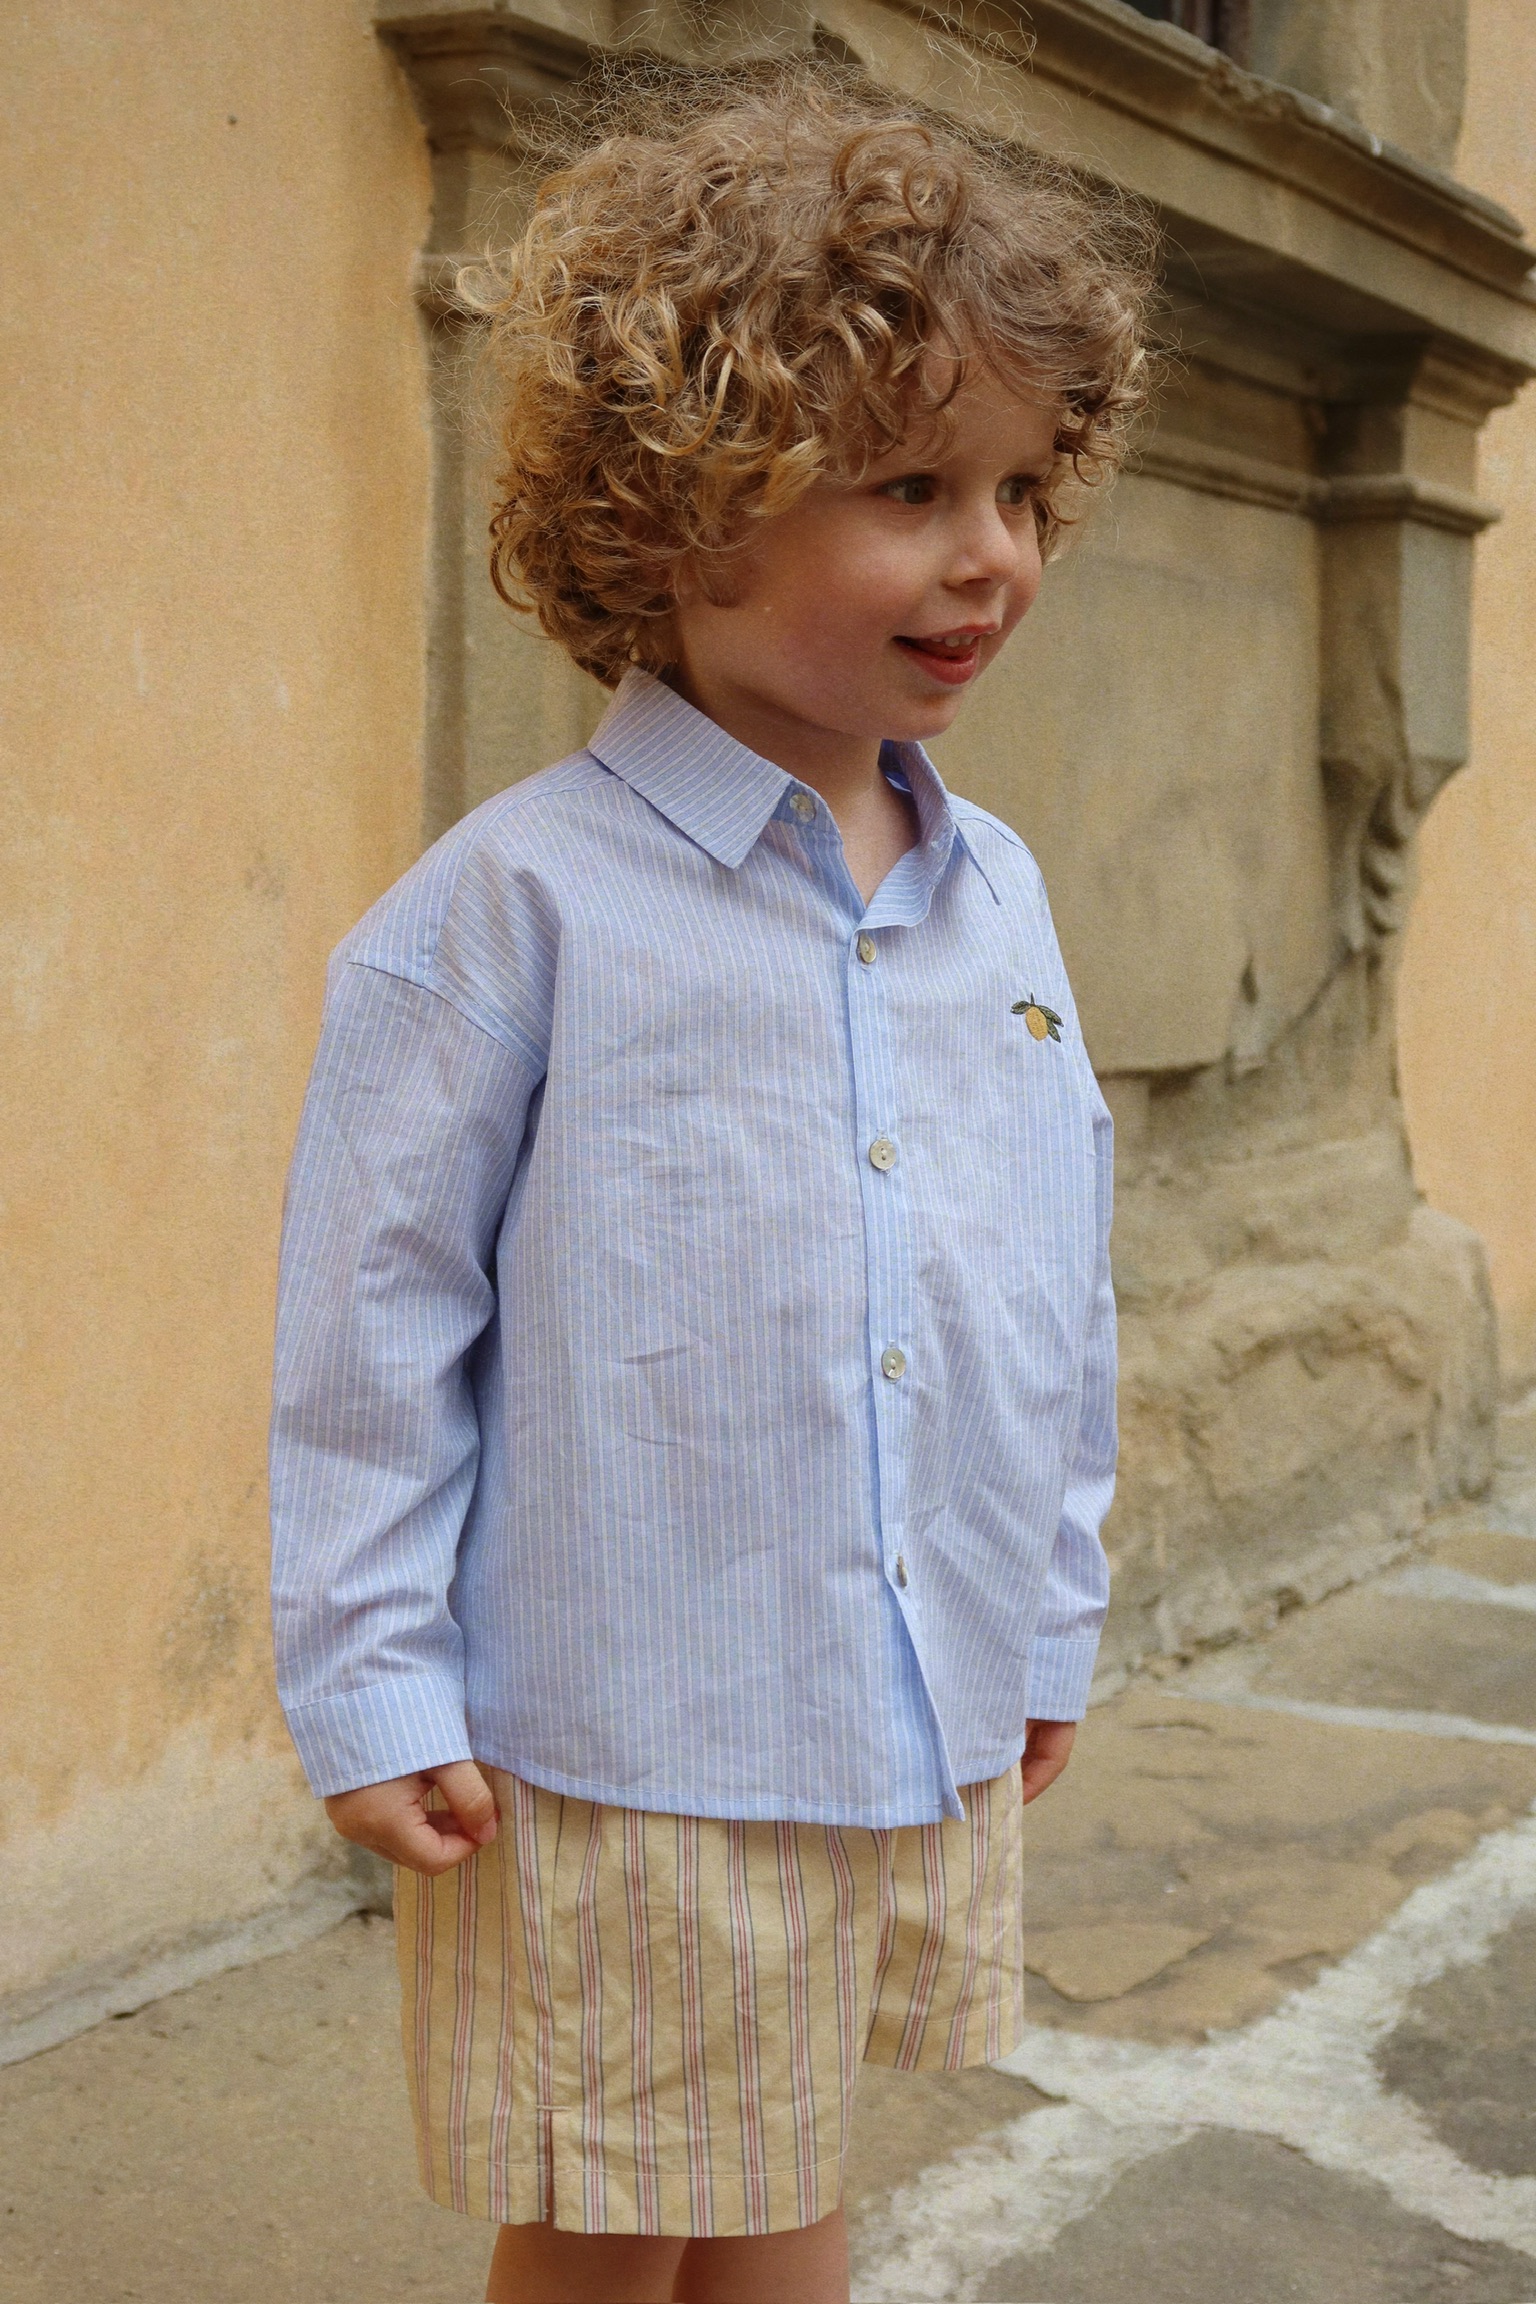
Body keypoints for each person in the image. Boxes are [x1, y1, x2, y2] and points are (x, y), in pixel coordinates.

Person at [269, 60, 1152, 2304]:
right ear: (678, 505)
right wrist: (373, 1683)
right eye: (909, 485)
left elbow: (1049, 1281)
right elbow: (375, 1330)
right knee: (606, 2198)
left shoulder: (998, 899)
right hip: (618, 1733)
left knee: (786, 2142)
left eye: (1024, 485)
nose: (993, 552)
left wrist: (1045, 1614)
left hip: (890, 1692)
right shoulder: (513, 916)